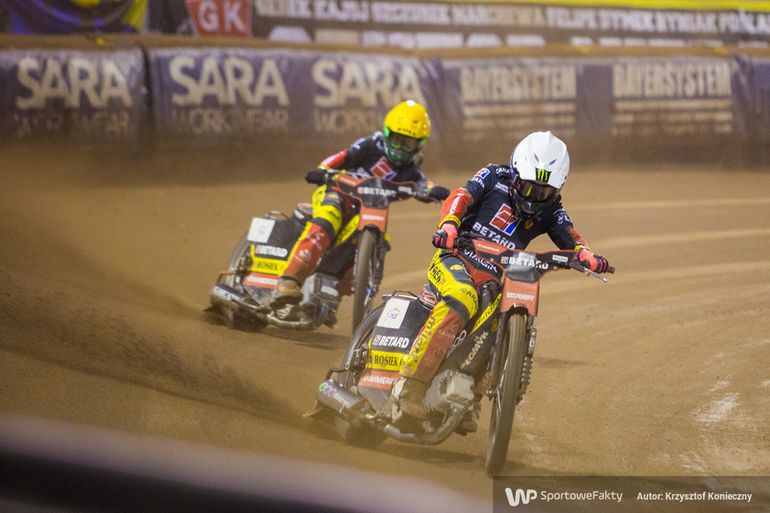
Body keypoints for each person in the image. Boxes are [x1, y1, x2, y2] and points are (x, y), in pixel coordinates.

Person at [391, 130, 611, 428]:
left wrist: (586, 255)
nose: (533, 199)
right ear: (515, 172)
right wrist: (449, 226)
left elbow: (569, 234)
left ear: (557, 190)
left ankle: (469, 396)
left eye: (543, 193)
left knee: (500, 317)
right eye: (528, 187)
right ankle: (410, 386)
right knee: (462, 297)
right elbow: (461, 196)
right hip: (455, 259)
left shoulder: (553, 210)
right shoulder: (493, 176)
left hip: (494, 279)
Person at [271, 100, 447, 307]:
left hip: (365, 213)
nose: (401, 148)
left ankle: (328, 293)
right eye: (398, 140)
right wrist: (322, 170)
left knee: (380, 240)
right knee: (328, 219)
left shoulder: (412, 171)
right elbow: (342, 157)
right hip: (336, 193)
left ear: (419, 145)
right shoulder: (370, 146)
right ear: (387, 133)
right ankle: (289, 280)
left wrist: (433, 191)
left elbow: (423, 185)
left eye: (408, 144)